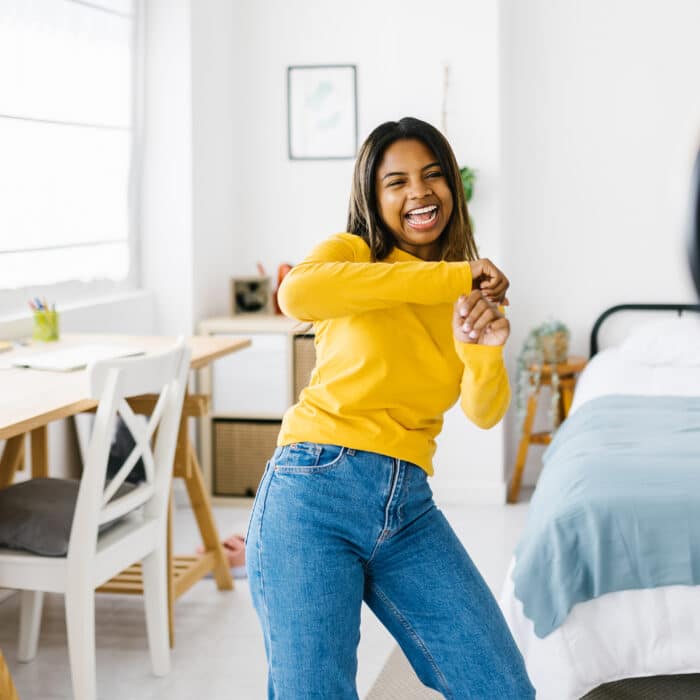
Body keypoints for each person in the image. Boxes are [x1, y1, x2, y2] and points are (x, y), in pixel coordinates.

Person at [245, 117, 535, 699]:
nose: (419, 193)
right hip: (312, 493)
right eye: (396, 182)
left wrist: (484, 351)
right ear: (374, 199)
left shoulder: (464, 296)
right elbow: (294, 295)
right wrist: (447, 277)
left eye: (432, 176)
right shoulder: (352, 255)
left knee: (500, 687)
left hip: (407, 506)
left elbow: (483, 411)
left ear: (453, 186)